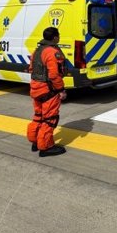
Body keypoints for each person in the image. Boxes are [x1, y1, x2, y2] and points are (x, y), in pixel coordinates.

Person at [27, 27, 68, 157]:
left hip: (35, 87)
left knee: (38, 116)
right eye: (58, 35)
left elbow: (31, 68)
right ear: (55, 37)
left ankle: (35, 141)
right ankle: (45, 147)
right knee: (50, 119)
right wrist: (61, 89)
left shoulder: (37, 50)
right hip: (48, 89)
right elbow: (54, 74)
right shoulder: (51, 52)